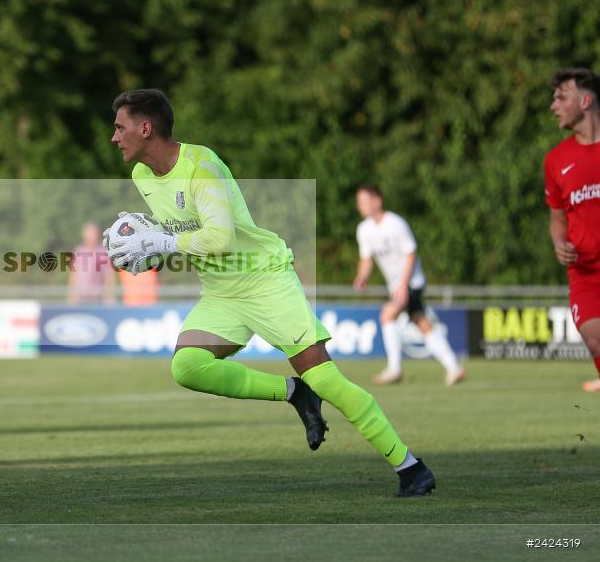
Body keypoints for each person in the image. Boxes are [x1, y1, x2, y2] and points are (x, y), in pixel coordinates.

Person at [107, 89, 435, 496]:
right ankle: (295, 393)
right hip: (222, 292)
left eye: (119, 127)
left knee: (327, 380)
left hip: (265, 280)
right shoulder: (142, 176)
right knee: (187, 367)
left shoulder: (202, 168)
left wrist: (162, 243)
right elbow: (180, 231)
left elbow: (220, 238)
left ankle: (410, 467)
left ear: (145, 128)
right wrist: (148, 248)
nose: (114, 137)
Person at [353, 185, 466, 387]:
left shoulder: (395, 224)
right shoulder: (364, 230)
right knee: (422, 322)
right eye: (359, 202)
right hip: (397, 286)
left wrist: (403, 285)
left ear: (377, 201)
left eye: (364, 201)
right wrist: (362, 277)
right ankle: (454, 367)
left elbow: (411, 253)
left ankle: (394, 369)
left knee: (387, 315)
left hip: (412, 282)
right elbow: (366, 259)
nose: (360, 205)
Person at [545, 68, 600, 393]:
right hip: (585, 272)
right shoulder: (556, 160)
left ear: (585, 101)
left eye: (561, 97)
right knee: (594, 339)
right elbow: (557, 218)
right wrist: (558, 242)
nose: (554, 105)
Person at [68, 223, 116, 304]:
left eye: (93, 234)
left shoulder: (103, 252)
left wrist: (109, 295)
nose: (92, 237)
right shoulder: (78, 251)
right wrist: (71, 295)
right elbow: (73, 275)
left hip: (98, 297)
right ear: (84, 236)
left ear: (97, 235)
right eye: (89, 234)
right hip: (80, 297)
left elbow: (109, 275)